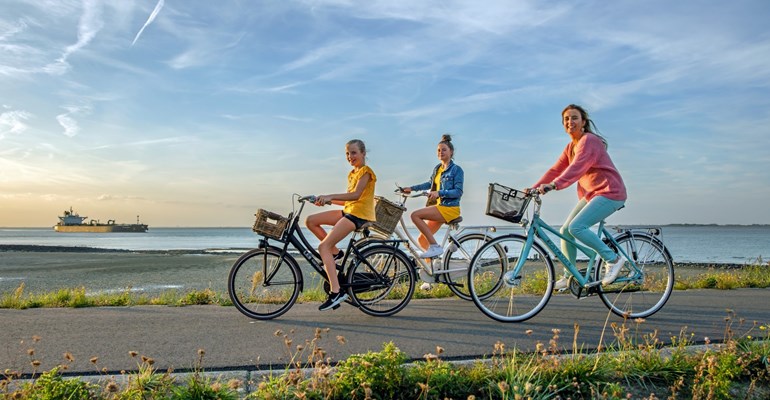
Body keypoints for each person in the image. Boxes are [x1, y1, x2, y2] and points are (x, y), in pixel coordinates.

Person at [531, 104, 628, 290]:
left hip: (610, 192)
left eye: (574, 118)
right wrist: (533, 188)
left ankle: (613, 259)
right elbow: (556, 169)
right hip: (593, 194)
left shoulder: (589, 141)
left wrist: (554, 185)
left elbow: (576, 169)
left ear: (583, 122)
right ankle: (571, 275)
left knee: (577, 227)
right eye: (566, 119)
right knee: (565, 230)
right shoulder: (571, 147)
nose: (570, 122)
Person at [306, 139, 376, 311]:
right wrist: (325, 200)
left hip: (358, 215)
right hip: (349, 211)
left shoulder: (366, 172)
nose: (350, 157)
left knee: (323, 247)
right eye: (347, 153)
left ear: (363, 153)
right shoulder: (352, 173)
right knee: (310, 221)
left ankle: (336, 292)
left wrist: (330, 196)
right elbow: (347, 200)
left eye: (353, 153)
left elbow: (355, 195)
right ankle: (336, 254)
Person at [401, 134, 464, 261]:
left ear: (451, 152)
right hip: (440, 207)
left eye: (444, 150)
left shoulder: (457, 170)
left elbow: (458, 192)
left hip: (449, 209)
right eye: (439, 150)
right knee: (422, 240)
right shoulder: (437, 169)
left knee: (415, 215)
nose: (441, 152)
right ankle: (432, 270)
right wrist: (411, 188)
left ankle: (435, 246)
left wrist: (439, 193)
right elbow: (429, 184)